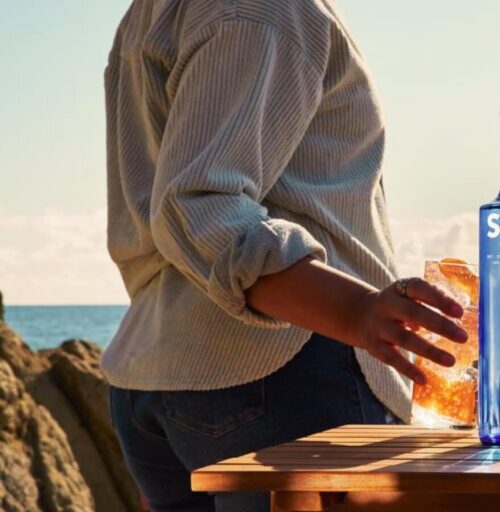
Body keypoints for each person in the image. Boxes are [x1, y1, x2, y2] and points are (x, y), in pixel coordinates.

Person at [101, 1, 464, 509]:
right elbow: (198, 204)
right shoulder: (266, 8)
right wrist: (355, 310)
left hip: (153, 371)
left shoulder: (150, 13)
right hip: (280, 371)